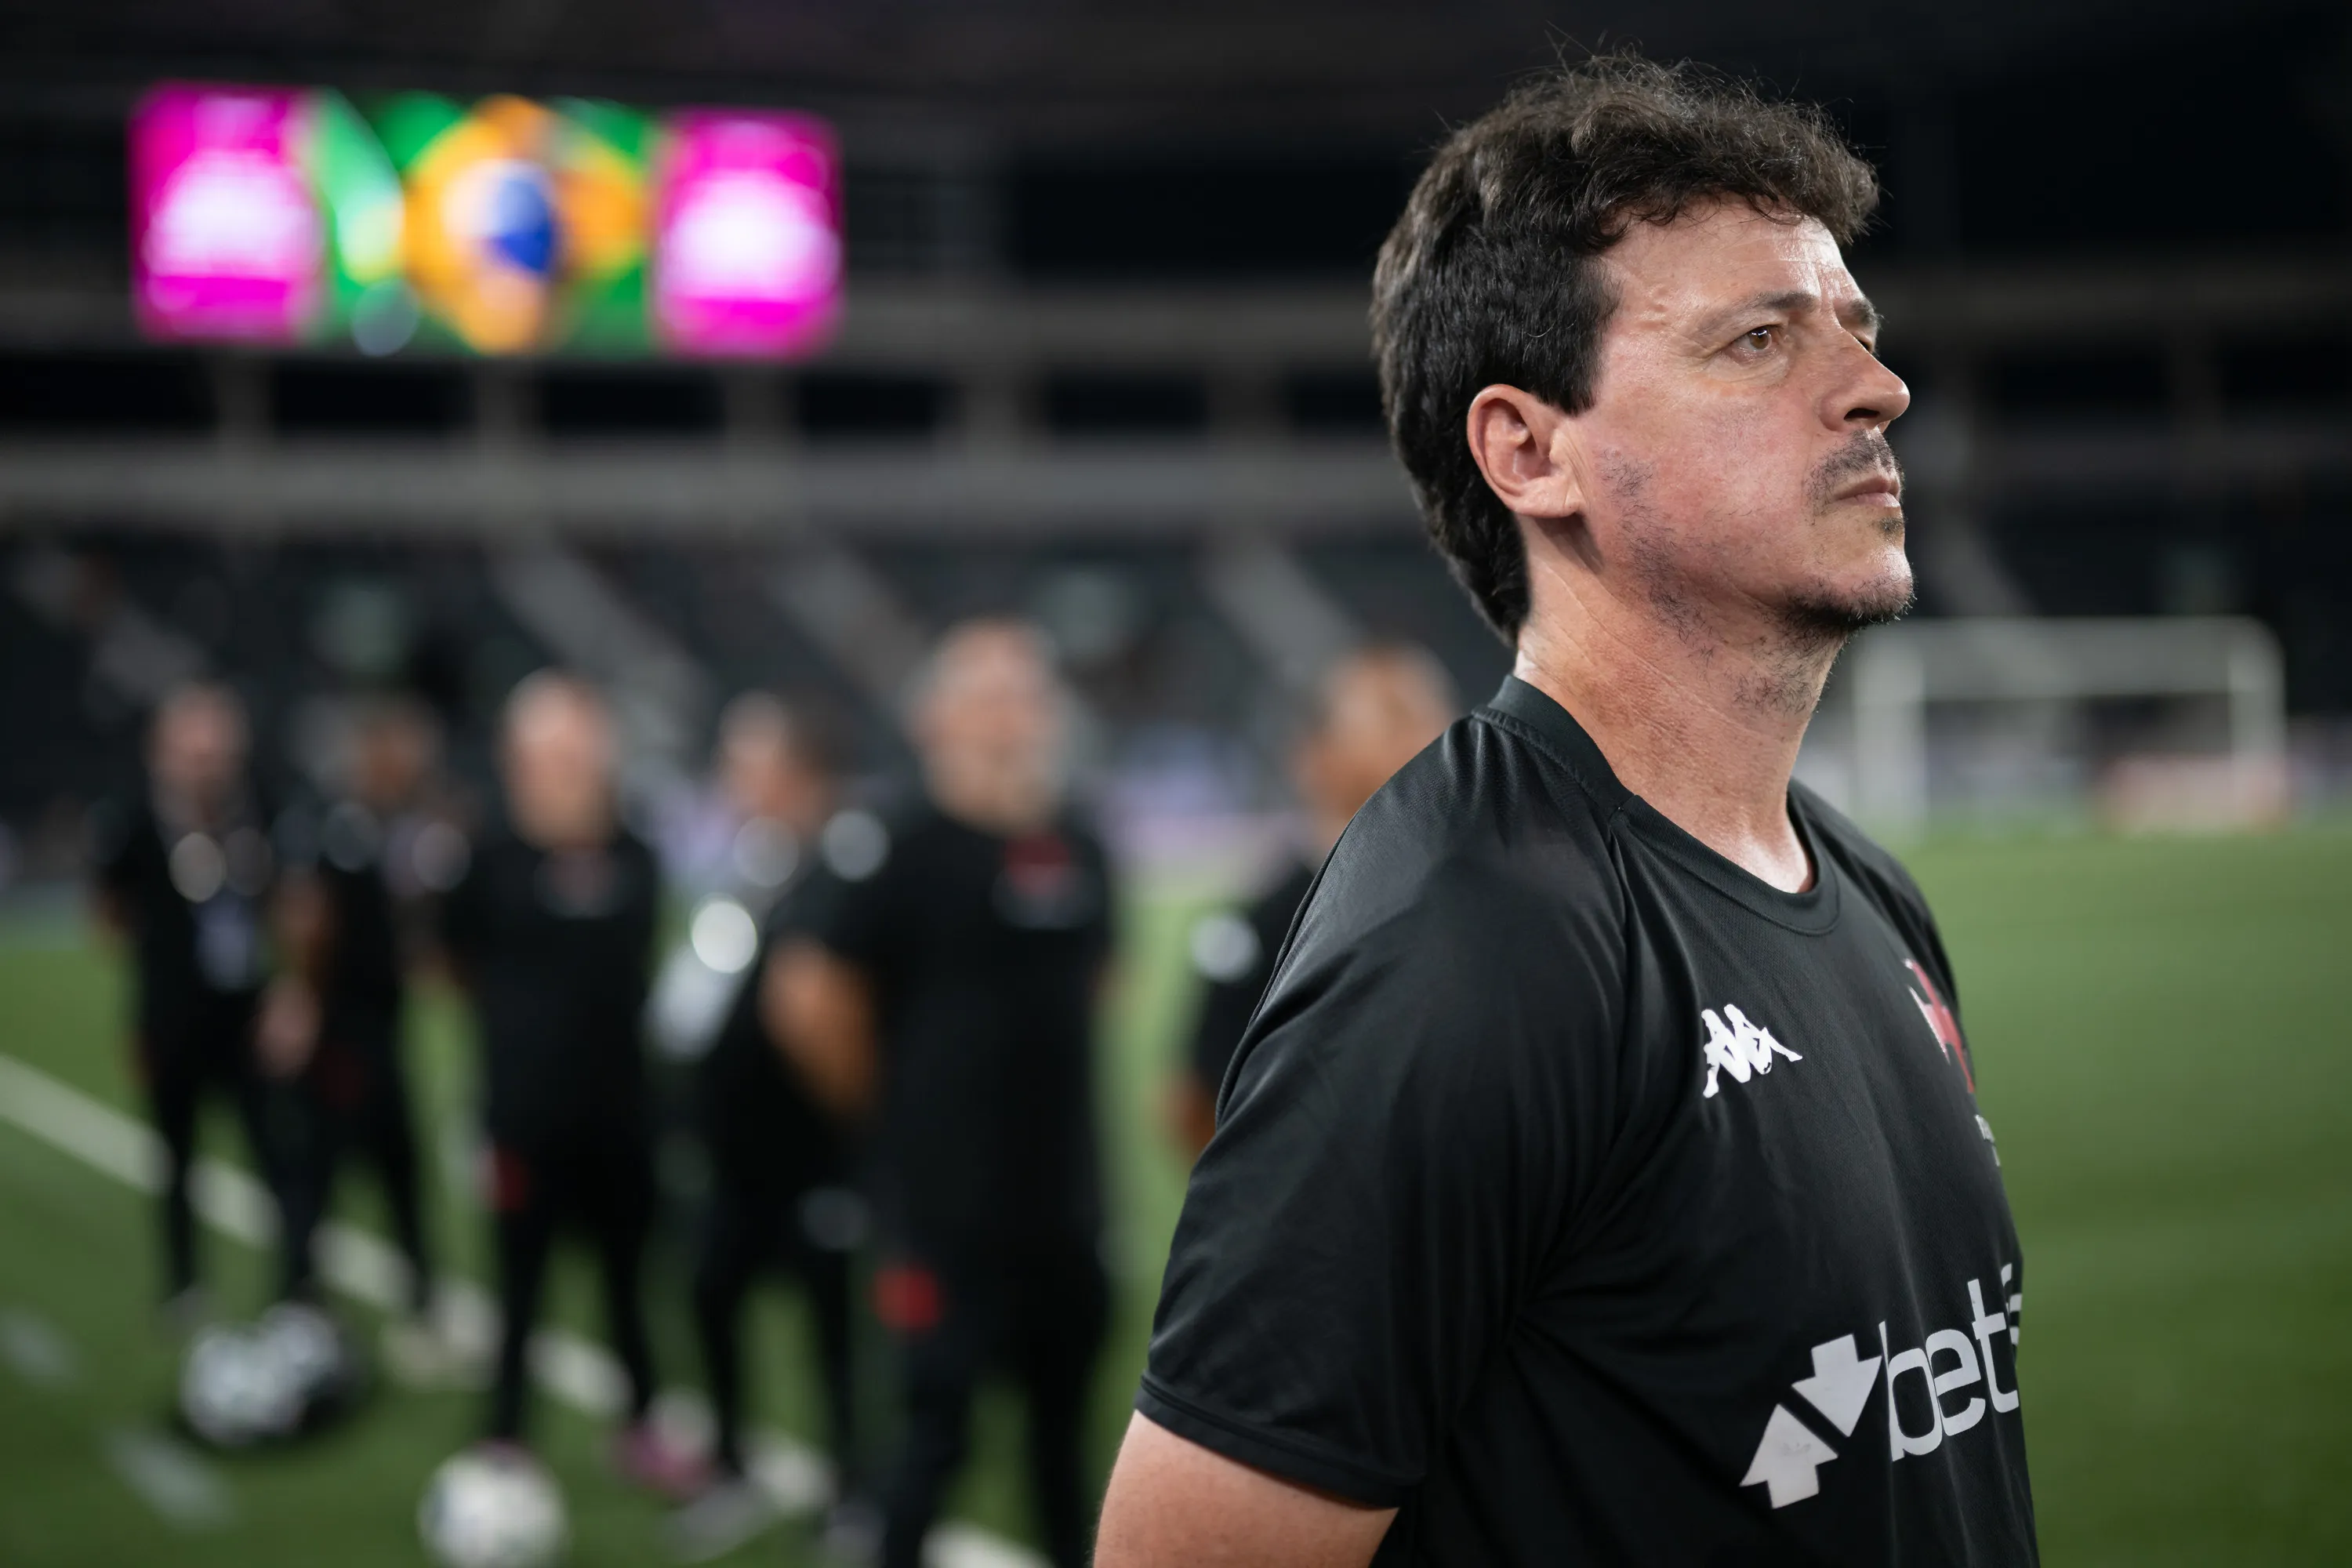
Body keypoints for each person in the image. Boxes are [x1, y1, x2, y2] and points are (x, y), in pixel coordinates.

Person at [1098, 55, 2035, 1567]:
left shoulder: (1865, 890)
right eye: (1757, 342)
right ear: (1531, 453)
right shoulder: (1471, 943)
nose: (1877, 387)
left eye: (1855, 329)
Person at [779, 620, 1113, 1568]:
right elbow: (808, 998)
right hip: (941, 1210)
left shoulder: (1079, 838)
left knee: (1065, 1450)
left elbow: (1097, 983)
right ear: (936, 718)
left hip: (1063, 1204)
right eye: (989, 696)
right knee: (933, 1432)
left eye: (1026, 694)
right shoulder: (896, 841)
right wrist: (892, 1120)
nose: (1013, 717)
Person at [438, 672, 699, 1494]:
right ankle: (508, 1432)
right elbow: (453, 962)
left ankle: (642, 1423)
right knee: (519, 1287)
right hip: (524, 1118)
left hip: (623, 1116)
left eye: (579, 747)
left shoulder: (635, 850)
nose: (566, 764)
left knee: (630, 1285)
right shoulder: (486, 856)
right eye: (549, 749)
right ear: (517, 757)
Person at [663, 694, 865, 1559]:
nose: (731, 778)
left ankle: (852, 1492)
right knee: (711, 1293)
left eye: (747, 761)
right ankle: (735, 1465)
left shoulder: (841, 869)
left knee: (834, 1330)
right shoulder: (751, 863)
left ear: (797, 771)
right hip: (735, 1156)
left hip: (813, 1153)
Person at [1172, 645, 1456, 1155]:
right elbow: (1196, 1100)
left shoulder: (1480, 906)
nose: (1422, 737)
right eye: (1391, 717)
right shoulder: (1266, 926)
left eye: (1426, 713)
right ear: (1315, 757)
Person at [90, 681, 300, 1320]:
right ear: (165, 752)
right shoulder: (134, 817)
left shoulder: (258, 805)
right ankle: (184, 1282)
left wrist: (290, 991)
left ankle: (298, 1285)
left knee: (277, 1152)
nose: (207, 764)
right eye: (195, 751)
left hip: (248, 1014)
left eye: (217, 751)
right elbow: (109, 911)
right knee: (177, 1158)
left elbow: (292, 903)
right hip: (172, 1017)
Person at [260, 697, 441, 1334]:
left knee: (396, 1165)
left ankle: (415, 1289)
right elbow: (305, 913)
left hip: (377, 1024)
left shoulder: (381, 826)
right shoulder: (338, 828)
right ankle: (298, 1295)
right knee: (325, 1167)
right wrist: (301, 995)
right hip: (345, 1031)